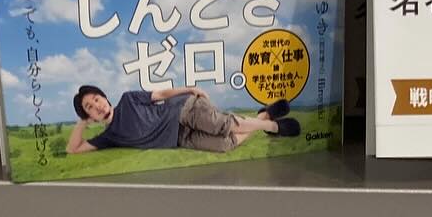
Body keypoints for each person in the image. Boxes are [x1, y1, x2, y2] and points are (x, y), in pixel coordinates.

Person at [66, 84, 299, 156]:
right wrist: (81, 120)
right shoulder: (109, 137)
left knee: (222, 125)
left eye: (96, 99)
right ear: (90, 116)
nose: (97, 106)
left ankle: (273, 126)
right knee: (225, 144)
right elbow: (73, 149)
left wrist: (189, 89)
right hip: (178, 138)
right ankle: (264, 115)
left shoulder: (128, 99)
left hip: (181, 110)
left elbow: (160, 94)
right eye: (89, 107)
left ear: (105, 97)